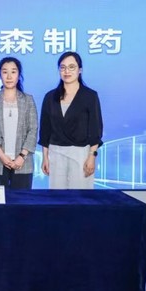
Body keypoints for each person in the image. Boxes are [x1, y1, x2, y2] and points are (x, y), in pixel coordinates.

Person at [39, 51, 103, 189]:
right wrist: (45, 157)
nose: (67, 71)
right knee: (57, 198)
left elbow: (95, 129)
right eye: (63, 67)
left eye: (71, 67)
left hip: (81, 154)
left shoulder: (90, 96)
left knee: (80, 198)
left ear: (80, 70)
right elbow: (45, 130)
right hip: (56, 153)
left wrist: (92, 156)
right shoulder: (50, 97)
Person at [0, 57, 38, 189]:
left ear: (19, 75)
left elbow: (33, 129)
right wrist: (2, 156)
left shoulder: (28, 100)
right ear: (0, 75)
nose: (9, 76)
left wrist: (22, 156)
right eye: (4, 72)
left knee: (21, 200)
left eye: (13, 72)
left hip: (23, 163)